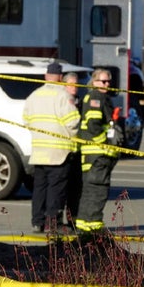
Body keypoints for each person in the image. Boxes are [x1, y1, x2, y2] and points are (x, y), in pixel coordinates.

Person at [23, 63, 81, 233]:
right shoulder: (63, 95)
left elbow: (26, 119)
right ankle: (52, 223)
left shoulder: (34, 95)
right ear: (61, 77)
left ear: (45, 76)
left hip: (39, 150)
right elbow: (73, 121)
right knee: (56, 189)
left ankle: (37, 221)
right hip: (58, 151)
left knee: (39, 188)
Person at [75, 69, 120, 233]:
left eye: (108, 81)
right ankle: (94, 225)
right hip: (97, 154)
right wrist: (106, 144)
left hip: (90, 154)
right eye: (103, 81)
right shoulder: (97, 97)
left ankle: (83, 224)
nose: (106, 84)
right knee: (98, 189)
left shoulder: (91, 96)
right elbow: (94, 125)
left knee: (89, 189)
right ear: (94, 82)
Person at [63, 72, 83, 226]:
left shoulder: (81, 103)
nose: (74, 88)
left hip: (77, 152)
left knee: (76, 189)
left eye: (76, 84)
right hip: (62, 151)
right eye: (70, 84)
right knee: (60, 189)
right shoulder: (61, 102)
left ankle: (72, 220)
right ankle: (55, 221)